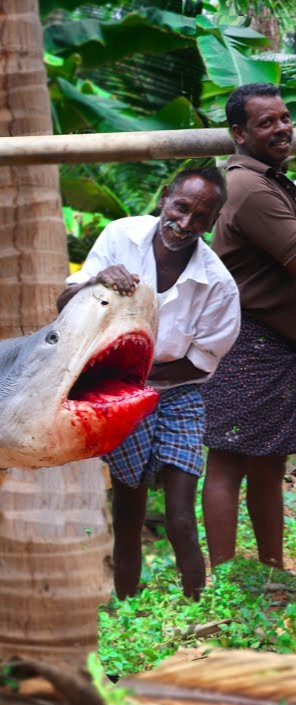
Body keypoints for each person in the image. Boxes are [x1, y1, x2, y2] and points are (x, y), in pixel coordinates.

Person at [57, 167, 240, 600]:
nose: (186, 223)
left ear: (212, 224)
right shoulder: (121, 237)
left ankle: (196, 604)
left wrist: (144, 377)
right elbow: (64, 304)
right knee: (127, 509)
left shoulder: (218, 285)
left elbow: (200, 365)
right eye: (181, 207)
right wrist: (96, 281)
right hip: (119, 393)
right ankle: (128, 604)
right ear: (164, 198)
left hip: (177, 396)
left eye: (201, 217)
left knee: (179, 516)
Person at [201, 82, 296, 570]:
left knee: (268, 460)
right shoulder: (251, 188)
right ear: (239, 132)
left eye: (284, 118)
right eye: (267, 122)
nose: (281, 128)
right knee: (229, 459)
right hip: (251, 342)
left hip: (268, 341)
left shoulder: (265, 179)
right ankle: (224, 577)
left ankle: (270, 569)